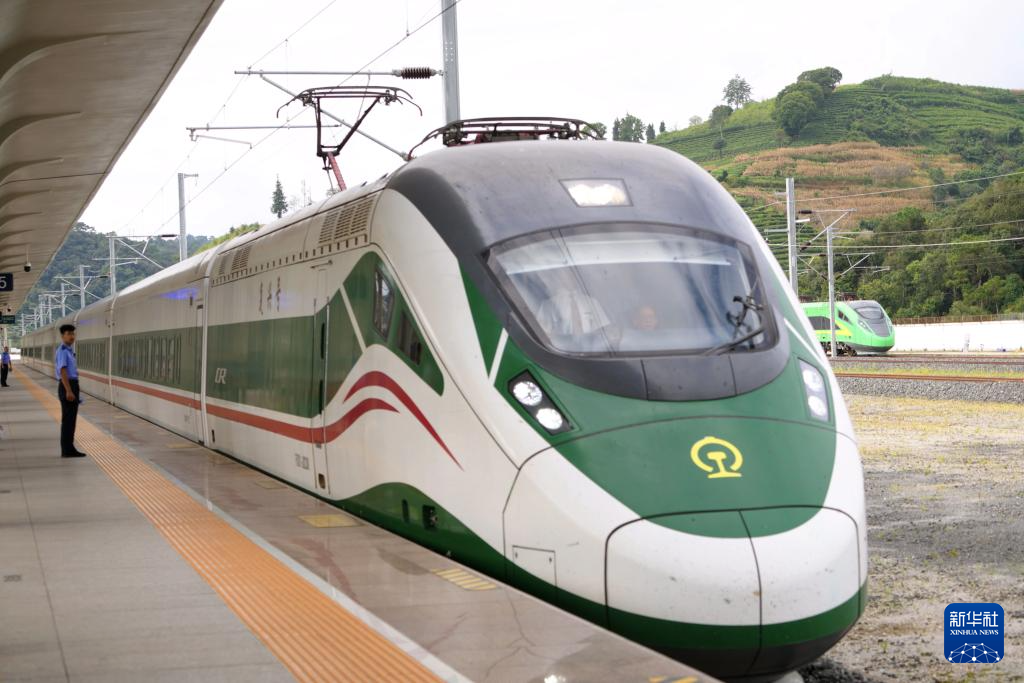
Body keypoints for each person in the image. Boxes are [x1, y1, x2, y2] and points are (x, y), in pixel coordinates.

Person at [55, 324, 85, 458]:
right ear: (63, 336)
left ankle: (69, 448)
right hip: (67, 385)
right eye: (69, 334)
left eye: (73, 334)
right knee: (68, 420)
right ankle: (67, 450)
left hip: (71, 385)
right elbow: (62, 371)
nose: (72, 336)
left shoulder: (69, 350)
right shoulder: (62, 350)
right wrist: (68, 390)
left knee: (71, 420)